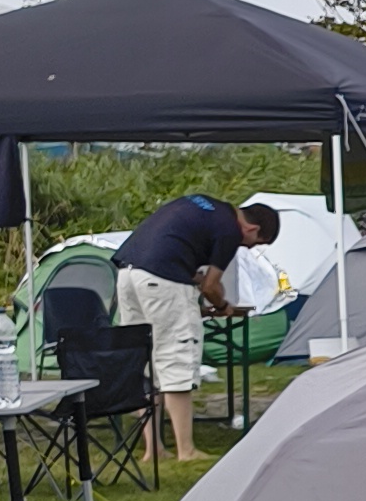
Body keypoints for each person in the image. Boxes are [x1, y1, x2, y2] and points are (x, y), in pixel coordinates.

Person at [114, 193, 282, 463]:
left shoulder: (204, 205)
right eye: (254, 244)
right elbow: (211, 287)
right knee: (176, 359)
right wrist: (224, 306)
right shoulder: (230, 230)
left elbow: (170, 245)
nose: (247, 248)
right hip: (162, 280)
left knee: (145, 361)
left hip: (128, 275)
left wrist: (194, 277)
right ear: (252, 228)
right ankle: (186, 450)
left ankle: (153, 449)